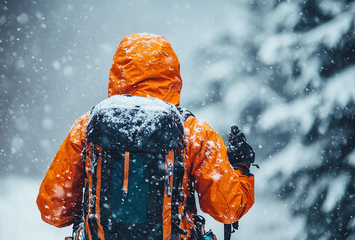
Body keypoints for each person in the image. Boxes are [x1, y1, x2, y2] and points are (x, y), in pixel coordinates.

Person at [37, 33, 255, 240]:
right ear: (172, 74)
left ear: (117, 72)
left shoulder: (86, 127)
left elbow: (53, 209)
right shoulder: (194, 132)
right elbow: (228, 208)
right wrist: (240, 168)